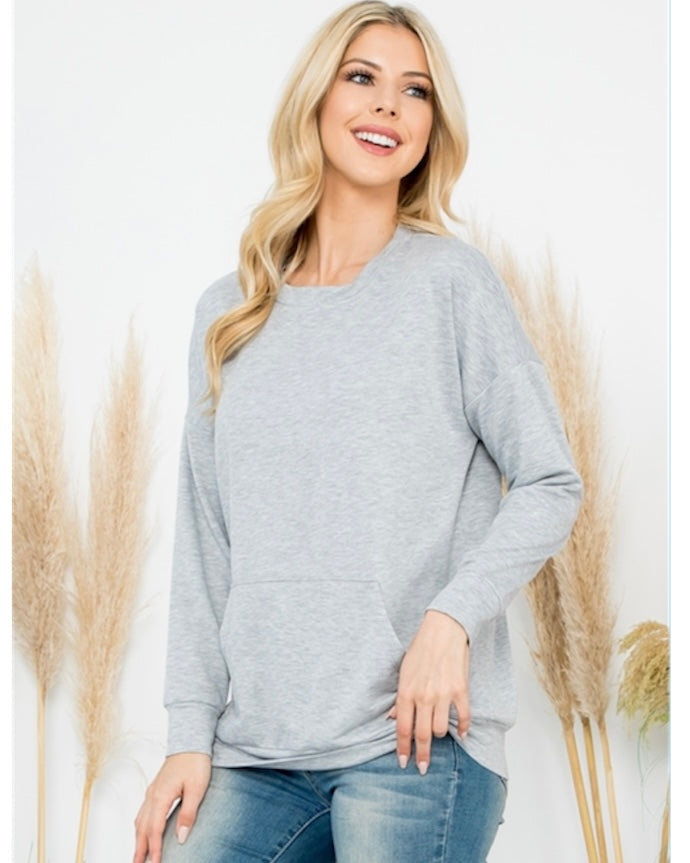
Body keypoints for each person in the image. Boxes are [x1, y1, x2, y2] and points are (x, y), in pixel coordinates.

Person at [133, 2, 583, 861]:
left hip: (412, 744)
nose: (387, 106)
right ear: (317, 96)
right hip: (256, 748)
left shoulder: (452, 284)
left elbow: (550, 480)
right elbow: (205, 539)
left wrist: (450, 618)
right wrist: (189, 732)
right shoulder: (229, 311)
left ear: (432, 126)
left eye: (416, 91)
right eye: (363, 77)